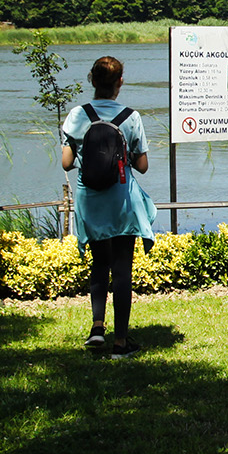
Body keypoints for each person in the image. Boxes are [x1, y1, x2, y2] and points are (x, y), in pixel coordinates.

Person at [61, 55, 156, 358]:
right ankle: (121, 341)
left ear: (92, 80)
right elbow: (142, 166)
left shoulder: (77, 115)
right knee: (122, 269)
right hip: (121, 202)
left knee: (99, 264)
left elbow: (66, 162)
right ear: (120, 82)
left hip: (90, 201)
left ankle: (97, 329)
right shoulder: (131, 117)